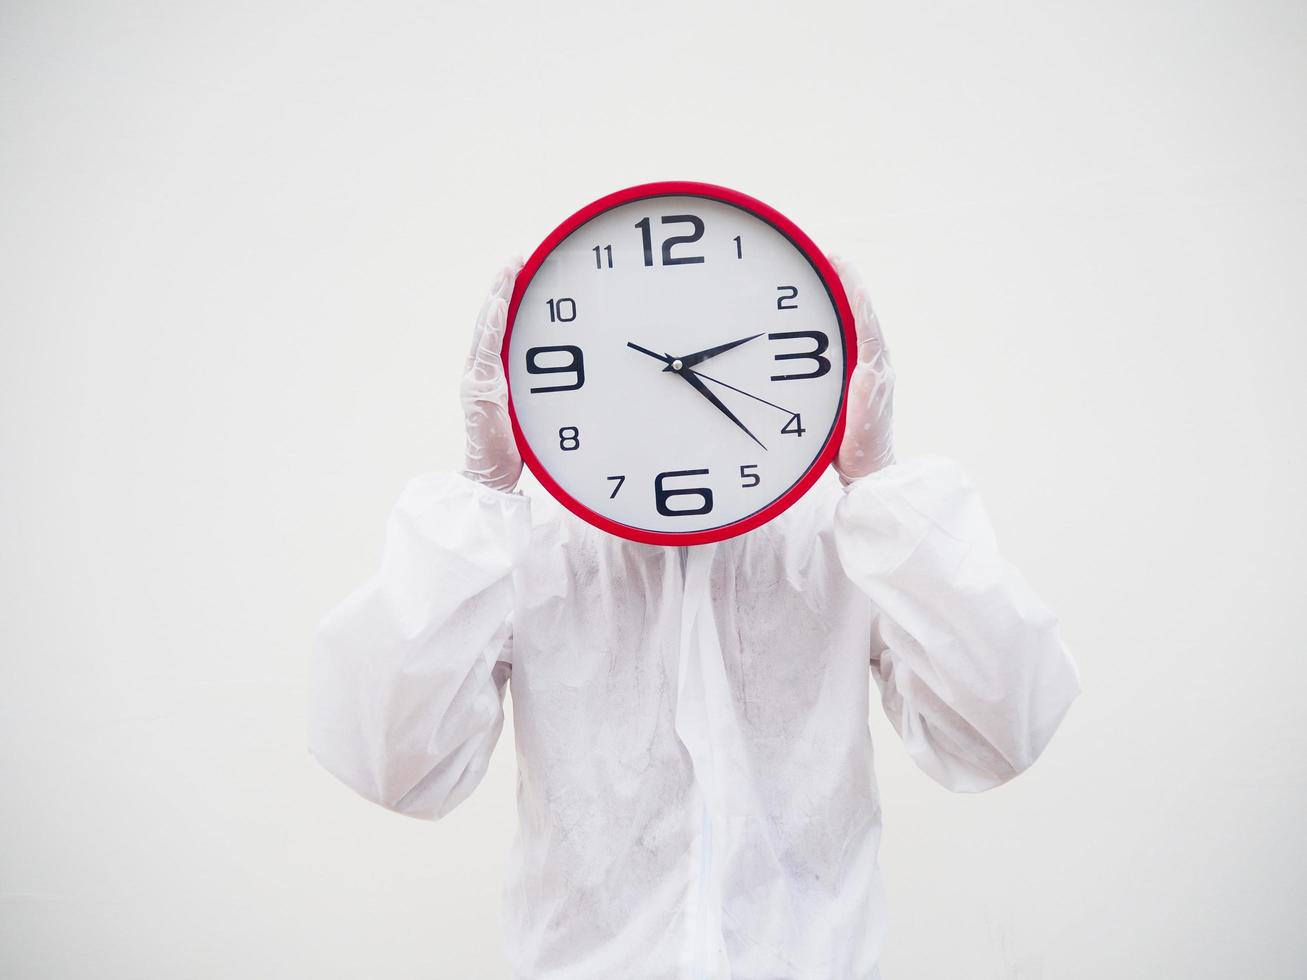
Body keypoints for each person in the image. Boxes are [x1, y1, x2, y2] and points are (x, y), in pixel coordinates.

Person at [308, 257, 1081, 980]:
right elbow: (396, 766)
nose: (675, 372)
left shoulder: (838, 529)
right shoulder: (533, 535)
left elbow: (998, 731)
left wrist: (877, 492)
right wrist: (483, 501)